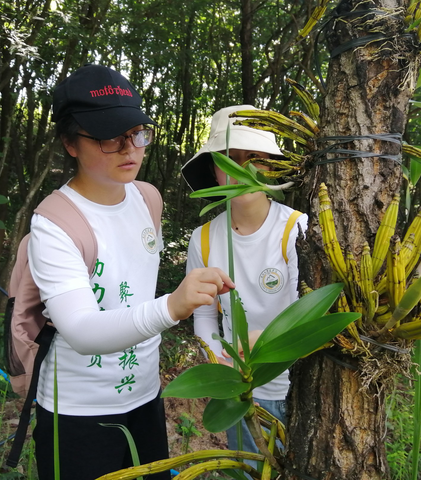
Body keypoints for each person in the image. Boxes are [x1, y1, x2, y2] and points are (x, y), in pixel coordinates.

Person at [28, 64, 234, 480]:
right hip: (78, 410)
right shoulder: (53, 224)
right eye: (110, 137)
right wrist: (172, 307)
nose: (131, 148)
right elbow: (83, 331)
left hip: (145, 397)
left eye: (138, 133)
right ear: (71, 143)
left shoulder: (147, 199)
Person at [181, 105, 308, 462]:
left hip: (292, 389)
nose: (241, 170)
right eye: (228, 159)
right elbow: (204, 315)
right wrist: (217, 359)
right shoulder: (203, 238)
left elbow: (306, 311)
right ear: (213, 169)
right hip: (236, 391)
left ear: (272, 165)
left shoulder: (296, 229)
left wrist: (258, 344)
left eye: (254, 157)